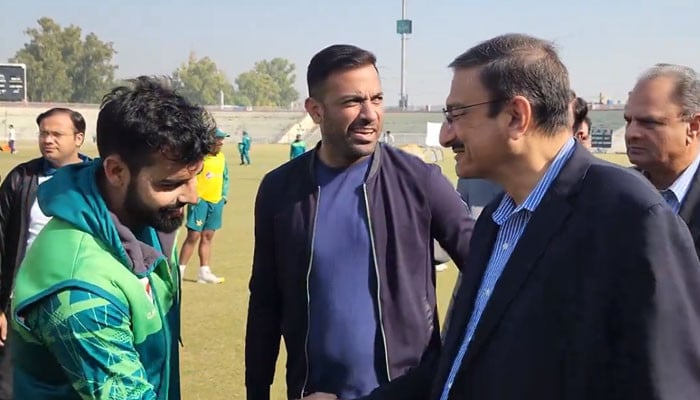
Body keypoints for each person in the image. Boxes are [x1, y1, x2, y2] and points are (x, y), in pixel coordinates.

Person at [434, 33, 700, 400]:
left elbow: (665, 386)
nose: (447, 135)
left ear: (516, 116)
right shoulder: (496, 219)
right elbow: (458, 368)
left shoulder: (630, 216)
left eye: (457, 115)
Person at [245, 44, 474, 400]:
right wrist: (256, 392)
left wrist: (446, 369)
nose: (370, 114)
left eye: (377, 99)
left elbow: (489, 273)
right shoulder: (279, 190)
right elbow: (264, 302)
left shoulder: (420, 180)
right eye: (353, 101)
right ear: (315, 111)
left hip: (408, 393)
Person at [10, 76, 215, 399]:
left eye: (195, 177)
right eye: (170, 184)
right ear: (116, 171)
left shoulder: (149, 219)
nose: (193, 197)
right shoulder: (79, 290)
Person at [0, 107, 90, 400]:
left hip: (80, 306)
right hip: (24, 306)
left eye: (56, 134)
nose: (47, 140)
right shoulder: (21, 179)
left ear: (79, 138)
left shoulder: (98, 181)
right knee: (12, 387)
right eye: (43, 133)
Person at [625, 63, 700, 259]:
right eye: (628, 120)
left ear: (693, 127)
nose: (632, 133)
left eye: (649, 122)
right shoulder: (613, 190)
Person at [178, 128, 229, 284]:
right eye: (218, 139)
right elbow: (187, 177)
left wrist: (223, 196)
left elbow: (225, 177)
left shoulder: (221, 158)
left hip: (216, 202)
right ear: (210, 140)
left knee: (208, 236)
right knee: (193, 236)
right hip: (200, 202)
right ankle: (179, 271)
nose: (221, 142)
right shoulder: (200, 158)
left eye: (222, 139)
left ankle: (204, 272)